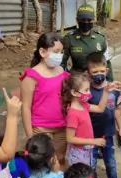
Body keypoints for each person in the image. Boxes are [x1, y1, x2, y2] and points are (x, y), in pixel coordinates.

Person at [20, 32, 70, 170]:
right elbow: (25, 108)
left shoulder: (61, 70)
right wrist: (30, 136)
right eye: (56, 51)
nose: (60, 55)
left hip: (62, 127)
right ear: (42, 52)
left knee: (59, 159)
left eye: (61, 52)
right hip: (41, 129)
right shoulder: (31, 77)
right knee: (43, 163)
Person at [86, 52, 121, 178]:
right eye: (95, 72)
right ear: (88, 73)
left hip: (108, 133)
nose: (99, 74)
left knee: (110, 162)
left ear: (107, 71)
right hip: (91, 135)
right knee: (91, 162)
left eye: (102, 71)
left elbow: (116, 109)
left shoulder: (114, 89)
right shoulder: (87, 91)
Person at [61, 73, 121, 167]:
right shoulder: (73, 114)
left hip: (86, 149)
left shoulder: (84, 105)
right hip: (78, 153)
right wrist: (93, 141)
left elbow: (100, 109)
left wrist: (106, 91)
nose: (89, 93)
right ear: (74, 93)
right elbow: (70, 138)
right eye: (86, 90)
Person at [61, 4, 114, 82]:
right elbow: (62, 62)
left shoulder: (100, 38)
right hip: (77, 79)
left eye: (89, 20)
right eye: (83, 20)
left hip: (96, 78)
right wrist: (63, 80)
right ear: (77, 20)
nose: (86, 22)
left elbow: (107, 61)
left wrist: (109, 81)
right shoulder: (69, 38)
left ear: (93, 20)